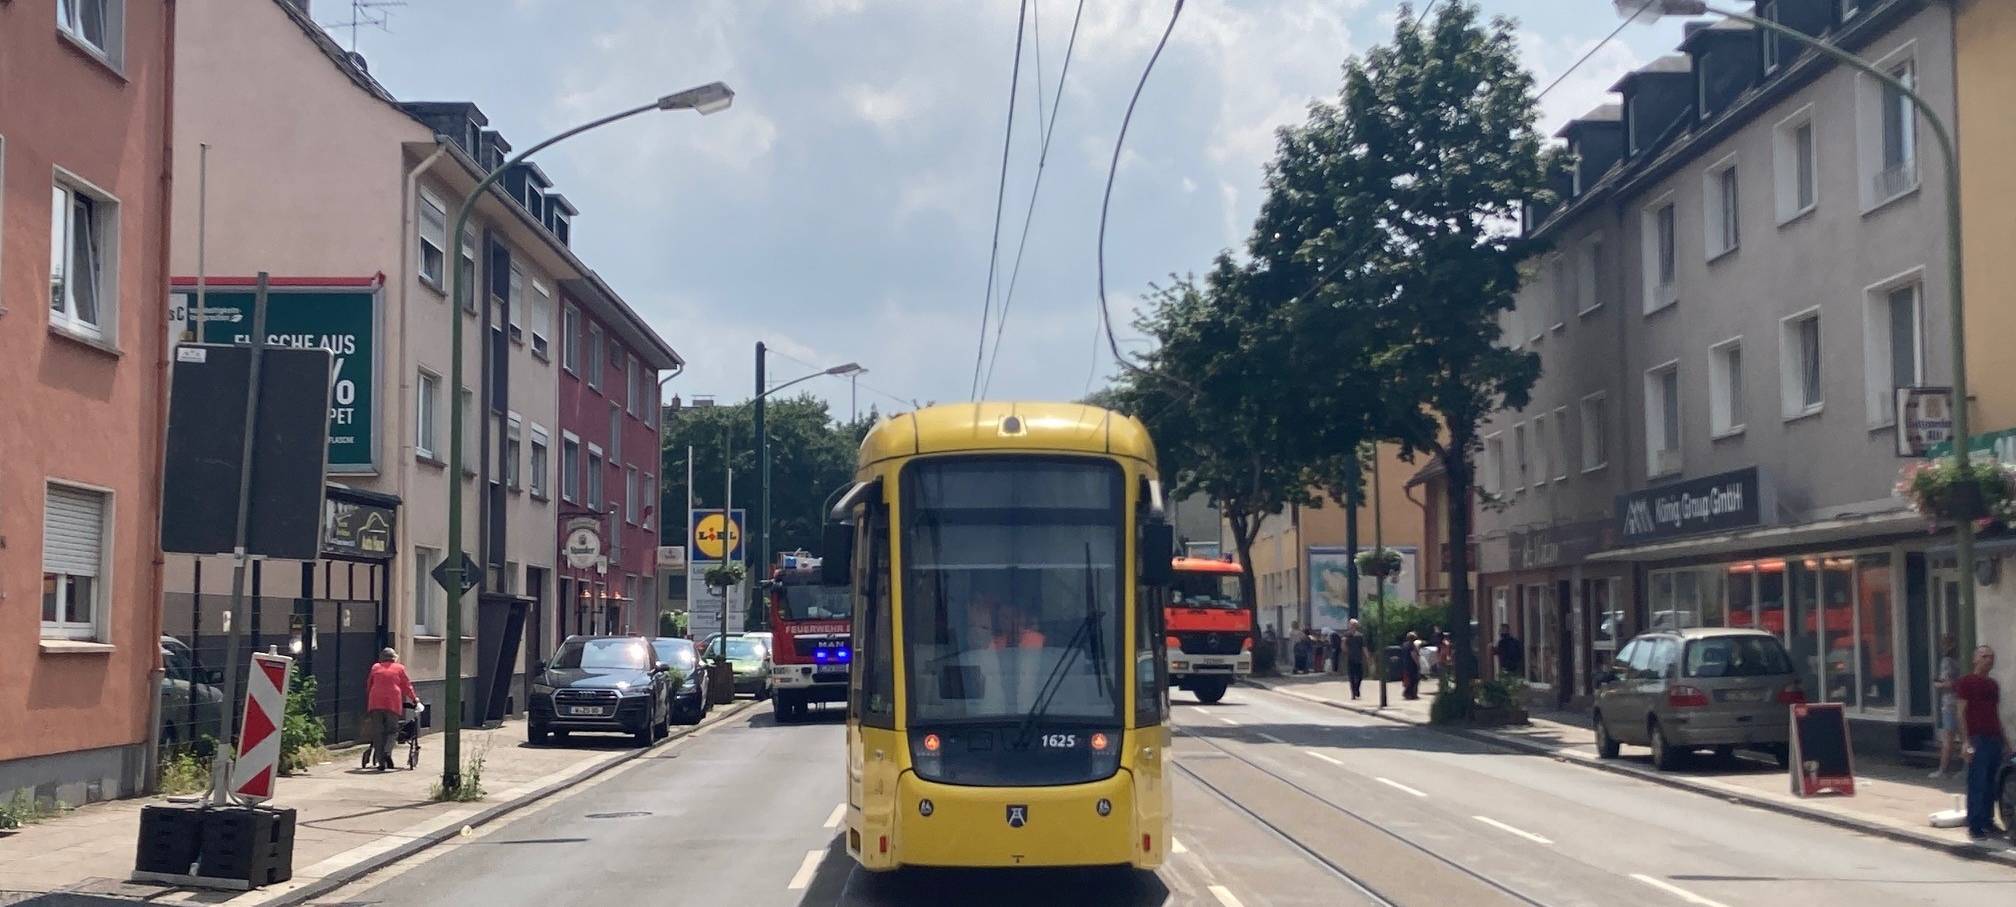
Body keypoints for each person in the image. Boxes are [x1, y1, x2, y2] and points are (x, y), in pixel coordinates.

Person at [1953, 645, 2008, 841]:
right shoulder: (1966, 682)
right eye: (1984, 656)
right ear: (1975, 659)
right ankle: (1975, 824)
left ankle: (1988, 821)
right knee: (1978, 781)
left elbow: (1996, 714)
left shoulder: (1993, 685)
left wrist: (2006, 742)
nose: (1988, 660)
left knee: (1992, 783)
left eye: (1991, 657)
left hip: (1994, 738)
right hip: (1977, 738)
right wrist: (1966, 741)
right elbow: (1961, 712)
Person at [363, 648, 417, 772]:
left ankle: (381, 762)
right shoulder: (399, 668)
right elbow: (406, 686)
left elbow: (369, 684)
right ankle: (387, 752)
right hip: (392, 702)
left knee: (378, 732)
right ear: (394, 658)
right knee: (392, 731)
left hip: (375, 702)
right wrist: (415, 699)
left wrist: (370, 698)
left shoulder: (375, 667)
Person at [1932, 634, 1964, 779]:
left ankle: (1943, 769)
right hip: (1960, 702)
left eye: (1944, 644)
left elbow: (1949, 683)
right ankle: (1966, 768)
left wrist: (1937, 684)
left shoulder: (1946, 661)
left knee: (1948, 738)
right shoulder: (1959, 661)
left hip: (1950, 703)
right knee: (1963, 736)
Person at [1343, 619, 1367, 699]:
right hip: (1350, 659)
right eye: (1352, 625)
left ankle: (1357, 689)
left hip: (1359, 658)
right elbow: (1343, 646)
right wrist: (1345, 649)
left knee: (1360, 676)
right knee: (1352, 677)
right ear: (1349, 625)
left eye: (1354, 625)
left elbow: (1363, 647)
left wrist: (1367, 656)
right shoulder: (1346, 635)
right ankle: (1353, 693)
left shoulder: (1360, 636)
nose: (1353, 626)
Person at [1400, 631, 1422, 700]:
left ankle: (1408, 693)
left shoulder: (1404, 645)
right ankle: (1411, 694)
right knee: (1414, 680)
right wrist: (1418, 664)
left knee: (1408, 679)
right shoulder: (1411, 645)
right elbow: (1414, 655)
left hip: (1405, 664)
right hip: (1412, 665)